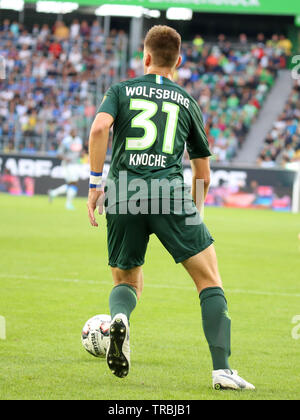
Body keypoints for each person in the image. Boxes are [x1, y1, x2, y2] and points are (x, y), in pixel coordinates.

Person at [87, 25, 255, 391]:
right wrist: (192, 212)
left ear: (145, 57)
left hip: (124, 191)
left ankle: (119, 318)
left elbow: (100, 129)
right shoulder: (186, 101)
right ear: (178, 61)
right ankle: (222, 370)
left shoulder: (120, 90)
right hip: (170, 194)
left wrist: (95, 184)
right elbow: (203, 174)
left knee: (127, 279)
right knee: (208, 280)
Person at [48, 129, 82, 210]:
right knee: (73, 183)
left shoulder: (78, 140)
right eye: (73, 132)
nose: (75, 133)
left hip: (76, 164)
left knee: (71, 184)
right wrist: (65, 158)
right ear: (70, 133)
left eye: (76, 132)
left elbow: (78, 152)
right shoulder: (66, 141)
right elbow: (58, 154)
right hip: (68, 165)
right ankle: (68, 204)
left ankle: (53, 193)